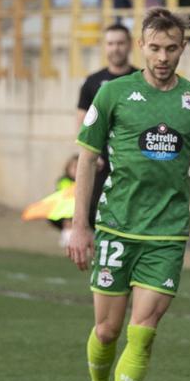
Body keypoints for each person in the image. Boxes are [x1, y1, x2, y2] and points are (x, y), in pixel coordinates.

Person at [67, 9, 190, 381]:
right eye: (155, 47)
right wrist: (79, 225)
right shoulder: (113, 94)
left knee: (144, 328)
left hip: (168, 234)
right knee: (107, 331)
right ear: (142, 46)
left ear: (183, 48)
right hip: (116, 227)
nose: (162, 56)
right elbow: (85, 158)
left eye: (171, 48)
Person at [73, 21, 136, 227]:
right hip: (100, 163)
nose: (115, 48)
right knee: (96, 215)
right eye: (110, 43)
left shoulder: (142, 80)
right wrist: (92, 153)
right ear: (104, 46)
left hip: (133, 164)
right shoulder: (92, 82)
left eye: (120, 43)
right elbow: (82, 121)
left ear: (130, 45)